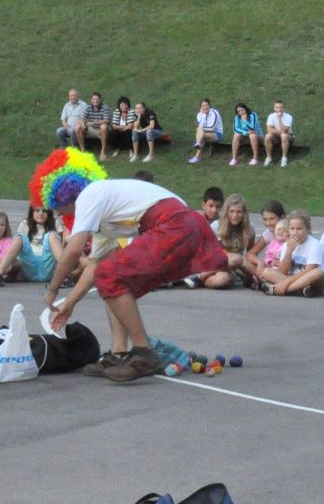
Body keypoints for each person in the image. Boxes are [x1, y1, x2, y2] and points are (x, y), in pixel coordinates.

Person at [39, 148, 228, 382]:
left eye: (61, 211)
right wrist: (69, 304)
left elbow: (74, 250)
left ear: (70, 201)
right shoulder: (105, 216)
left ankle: (144, 353)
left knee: (112, 276)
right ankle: (119, 353)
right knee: (112, 278)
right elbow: (95, 265)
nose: (61, 216)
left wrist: (53, 289)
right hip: (182, 227)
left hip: (175, 224)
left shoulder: (90, 194)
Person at [0, 205, 64, 288]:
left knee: (52, 235)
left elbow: (60, 246)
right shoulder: (25, 223)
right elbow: (17, 247)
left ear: (49, 213)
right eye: (37, 210)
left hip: (48, 265)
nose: (40, 214)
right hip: (29, 266)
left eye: (44, 211)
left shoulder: (55, 223)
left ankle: (66, 275)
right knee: (19, 237)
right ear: (32, 212)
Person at [259, 210, 324, 297]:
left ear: (307, 229)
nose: (295, 232)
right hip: (291, 278)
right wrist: (289, 251)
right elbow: (283, 271)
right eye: (292, 229)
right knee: (266, 272)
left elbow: (309, 270)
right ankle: (299, 289)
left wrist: (286, 283)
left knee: (317, 272)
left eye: (299, 229)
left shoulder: (315, 245)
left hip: (311, 280)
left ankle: (279, 290)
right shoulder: (286, 245)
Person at [199, 194, 255, 289]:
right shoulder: (217, 226)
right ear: (226, 212)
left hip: (230, 268)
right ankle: (200, 276)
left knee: (223, 280)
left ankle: (199, 281)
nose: (235, 215)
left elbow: (250, 253)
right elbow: (212, 253)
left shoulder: (249, 228)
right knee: (237, 259)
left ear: (244, 213)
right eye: (231, 211)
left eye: (239, 212)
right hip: (215, 263)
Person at [245, 200, 287, 286]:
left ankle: (264, 281)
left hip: (287, 269)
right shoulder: (268, 233)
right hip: (271, 268)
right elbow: (250, 254)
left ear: (282, 217)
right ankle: (263, 280)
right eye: (265, 219)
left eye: (272, 219)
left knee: (269, 273)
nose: (268, 223)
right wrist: (259, 262)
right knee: (243, 260)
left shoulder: (290, 232)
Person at [78, 92, 112, 161]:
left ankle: (103, 152)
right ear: (91, 100)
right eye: (94, 99)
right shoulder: (88, 107)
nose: (95, 101)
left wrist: (92, 123)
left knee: (104, 126)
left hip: (101, 129)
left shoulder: (104, 107)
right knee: (78, 127)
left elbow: (106, 120)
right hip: (91, 129)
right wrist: (83, 124)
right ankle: (83, 151)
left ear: (100, 100)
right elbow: (82, 118)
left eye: (97, 99)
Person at [189, 98, 223, 164]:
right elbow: (202, 124)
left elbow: (212, 127)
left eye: (206, 105)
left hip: (216, 134)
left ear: (209, 105)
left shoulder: (215, 113)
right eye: (203, 106)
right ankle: (197, 154)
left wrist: (201, 129)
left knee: (200, 130)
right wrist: (204, 115)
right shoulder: (199, 114)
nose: (205, 107)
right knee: (201, 131)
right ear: (201, 107)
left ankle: (197, 146)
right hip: (205, 133)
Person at [264, 99, 294, 167]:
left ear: (283, 108)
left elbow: (285, 131)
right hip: (276, 137)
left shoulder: (288, 117)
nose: (279, 109)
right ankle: (269, 158)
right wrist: (280, 132)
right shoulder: (271, 116)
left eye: (281, 107)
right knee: (267, 136)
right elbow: (269, 130)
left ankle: (284, 158)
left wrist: (279, 119)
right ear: (274, 108)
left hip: (288, 137)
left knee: (283, 135)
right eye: (277, 107)